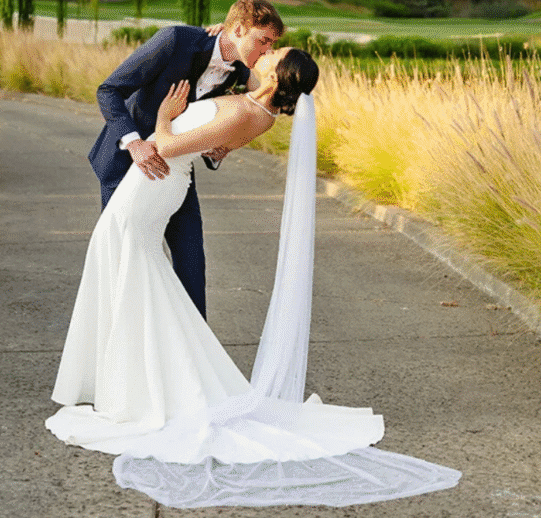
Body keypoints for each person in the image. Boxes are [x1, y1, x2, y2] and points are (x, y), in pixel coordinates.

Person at [46, 46, 462, 508]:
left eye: (272, 54)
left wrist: (166, 117)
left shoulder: (248, 112)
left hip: (156, 182)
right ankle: (128, 379)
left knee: (132, 266)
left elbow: (164, 147)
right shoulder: (251, 106)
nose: (262, 56)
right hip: (154, 185)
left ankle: (144, 387)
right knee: (134, 270)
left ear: (277, 74)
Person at [88, 0, 284, 318]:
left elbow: (251, 108)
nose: (266, 50)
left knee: (191, 257)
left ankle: (194, 350)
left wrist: (219, 149)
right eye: (263, 41)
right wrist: (135, 143)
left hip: (175, 169)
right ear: (237, 29)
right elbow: (109, 90)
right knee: (122, 257)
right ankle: (123, 340)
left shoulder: (239, 72)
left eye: (271, 45)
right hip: (125, 163)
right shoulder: (176, 40)